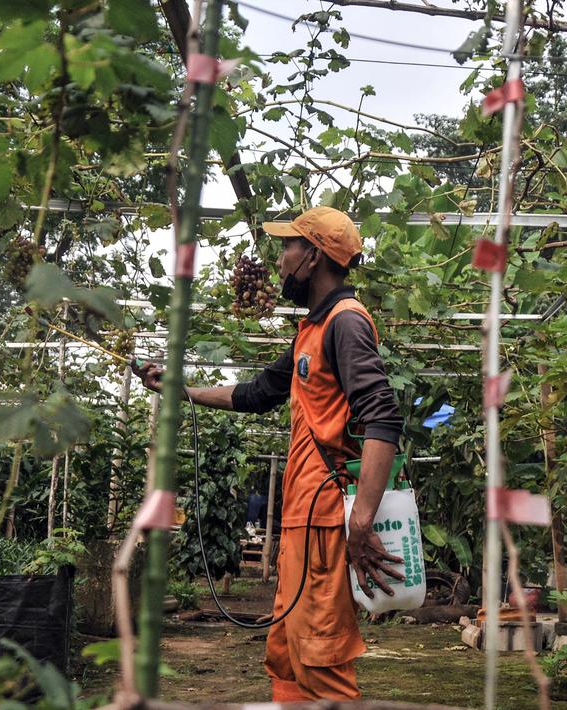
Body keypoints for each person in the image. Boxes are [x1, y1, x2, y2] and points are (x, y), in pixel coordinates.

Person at [132, 206, 404, 701]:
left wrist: (360, 520)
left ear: (314, 256)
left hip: (325, 520)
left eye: (288, 247)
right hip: (302, 522)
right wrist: (178, 388)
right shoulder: (312, 330)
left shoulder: (346, 323)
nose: (279, 259)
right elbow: (257, 393)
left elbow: (383, 415)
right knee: (285, 655)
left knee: (321, 660)